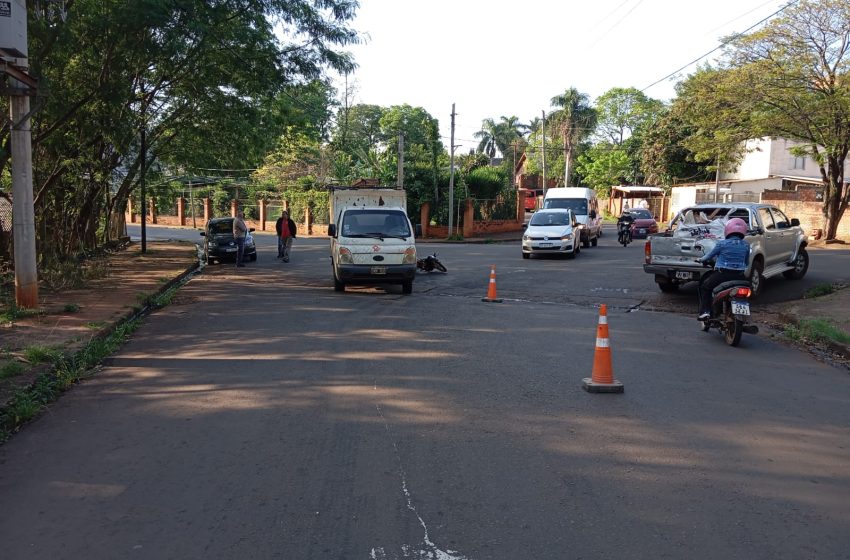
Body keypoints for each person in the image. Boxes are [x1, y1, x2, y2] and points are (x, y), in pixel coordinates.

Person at [696, 217, 750, 320]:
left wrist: (700, 260)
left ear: (727, 230)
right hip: (740, 276)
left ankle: (705, 312)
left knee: (706, 287)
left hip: (723, 275)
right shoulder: (746, 245)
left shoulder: (722, 244)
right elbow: (746, 262)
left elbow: (708, 256)